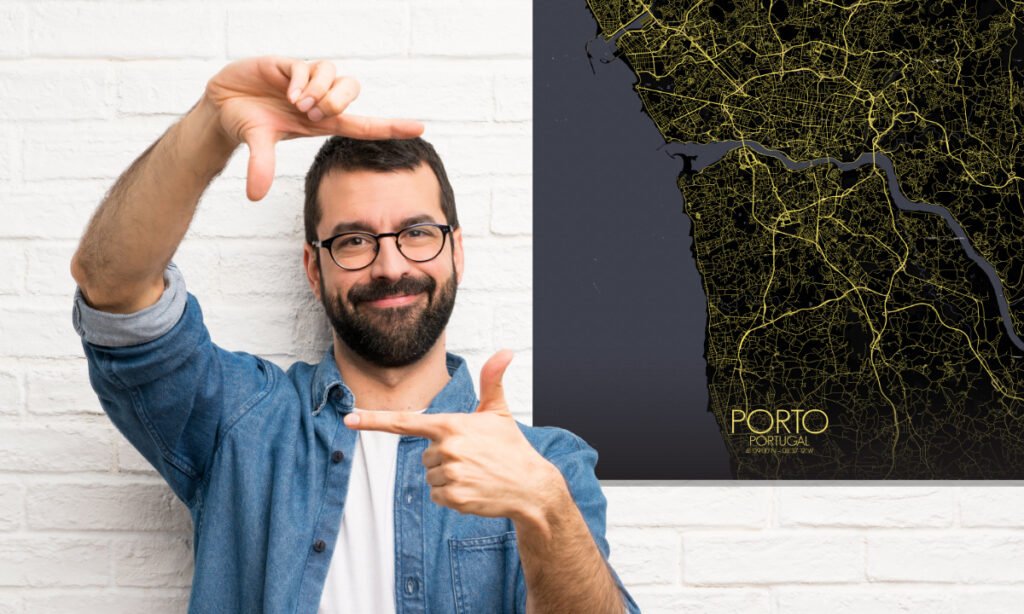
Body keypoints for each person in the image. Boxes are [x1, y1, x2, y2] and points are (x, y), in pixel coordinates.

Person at [70, 56, 640, 613]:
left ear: (457, 251)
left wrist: (546, 509)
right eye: (354, 240)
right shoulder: (239, 423)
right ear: (314, 269)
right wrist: (210, 125)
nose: (390, 267)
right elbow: (113, 289)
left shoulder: (546, 463)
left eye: (417, 233)